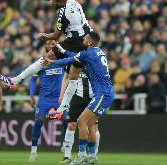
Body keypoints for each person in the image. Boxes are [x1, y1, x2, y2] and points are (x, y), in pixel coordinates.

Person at [0, 0, 92, 115]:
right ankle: (63, 106)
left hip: (75, 41)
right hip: (87, 39)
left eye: (53, 1)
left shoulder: (62, 15)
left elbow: (56, 36)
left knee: (45, 59)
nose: (52, 3)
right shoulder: (74, 2)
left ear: (59, 2)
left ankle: (16, 80)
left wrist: (43, 35)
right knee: (72, 77)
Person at [43, 31, 115, 165]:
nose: (83, 38)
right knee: (90, 124)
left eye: (86, 37)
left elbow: (71, 59)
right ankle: (92, 156)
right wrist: (63, 49)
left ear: (90, 42)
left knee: (81, 120)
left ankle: (82, 155)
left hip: (102, 94)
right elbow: (76, 56)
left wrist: (52, 60)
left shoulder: (89, 53)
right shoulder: (97, 52)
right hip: (106, 93)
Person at [28, 40, 66, 162]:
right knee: (38, 122)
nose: (50, 46)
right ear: (45, 46)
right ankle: (33, 152)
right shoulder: (40, 63)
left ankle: (66, 145)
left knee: (67, 120)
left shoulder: (63, 61)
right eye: (48, 44)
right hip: (44, 98)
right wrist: (31, 95)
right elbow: (33, 80)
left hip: (60, 97)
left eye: (53, 44)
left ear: (56, 47)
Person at [59, 70, 100, 164]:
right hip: (77, 96)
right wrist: (62, 94)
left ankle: (92, 155)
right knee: (71, 125)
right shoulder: (73, 60)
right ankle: (67, 156)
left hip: (92, 98)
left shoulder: (94, 60)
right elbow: (66, 77)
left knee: (92, 126)